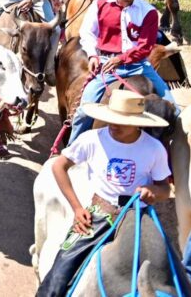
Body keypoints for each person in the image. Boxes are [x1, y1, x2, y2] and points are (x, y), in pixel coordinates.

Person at [37, 90, 171, 297]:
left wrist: (153, 191)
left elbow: (164, 189)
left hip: (138, 215)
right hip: (101, 212)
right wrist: (77, 208)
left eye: (121, 122)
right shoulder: (92, 139)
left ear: (138, 122)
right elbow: (59, 166)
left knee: (169, 265)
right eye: (111, 119)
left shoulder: (154, 149)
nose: (113, 125)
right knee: (62, 266)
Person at [68, 0, 174, 144]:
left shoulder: (148, 11)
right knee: (83, 112)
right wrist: (93, 55)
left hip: (139, 64)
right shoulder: (100, 4)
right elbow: (87, 33)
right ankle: (71, 151)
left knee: (174, 109)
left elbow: (145, 46)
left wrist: (121, 59)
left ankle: (170, 158)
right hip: (106, 62)